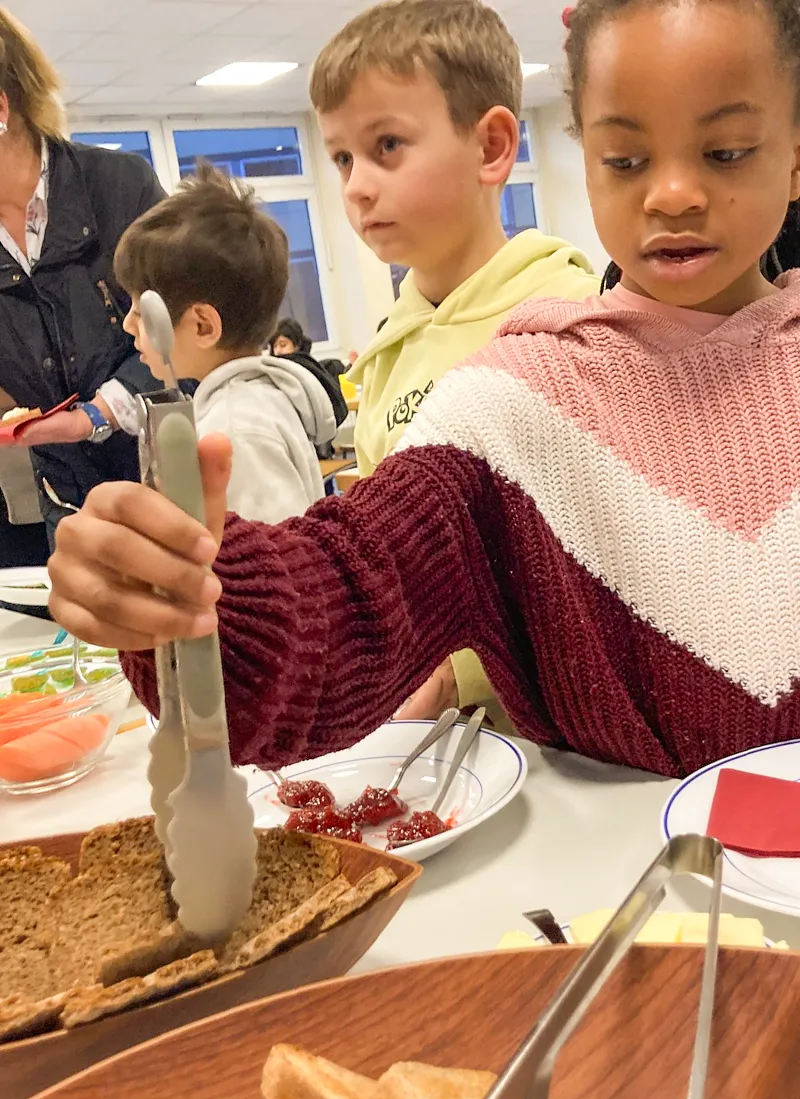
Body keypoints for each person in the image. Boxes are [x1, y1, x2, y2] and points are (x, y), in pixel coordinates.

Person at [47, 0, 800, 781]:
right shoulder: (510, 404)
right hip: (625, 888)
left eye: (728, 151)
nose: (672, 193)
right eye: (626, 160)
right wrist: (191, 597)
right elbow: (348, 598)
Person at [309, 0, 600, 725]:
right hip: (440, 726)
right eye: (342, 157)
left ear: (492, 147)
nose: (356, 186)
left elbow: (589, 557)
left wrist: (457, 670)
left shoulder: (564, 318)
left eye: (387, 147)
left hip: (564, 729)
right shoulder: (387, 348)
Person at [0, 9, 171, 550]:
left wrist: (95, 415)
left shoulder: (121, 187)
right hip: (61, 496)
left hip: (164, 472)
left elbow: (188, 331)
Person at [115, 163, 340, 526]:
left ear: (204, 326)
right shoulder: (249, 404)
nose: (128, 324)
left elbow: (272, 568)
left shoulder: (237, 428)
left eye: (141, 313)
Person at [268, 317, 349, 460]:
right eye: (275, 346)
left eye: (283, 344)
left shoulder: (299, 368)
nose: (278, 351)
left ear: (297, 345)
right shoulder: (306, 366)